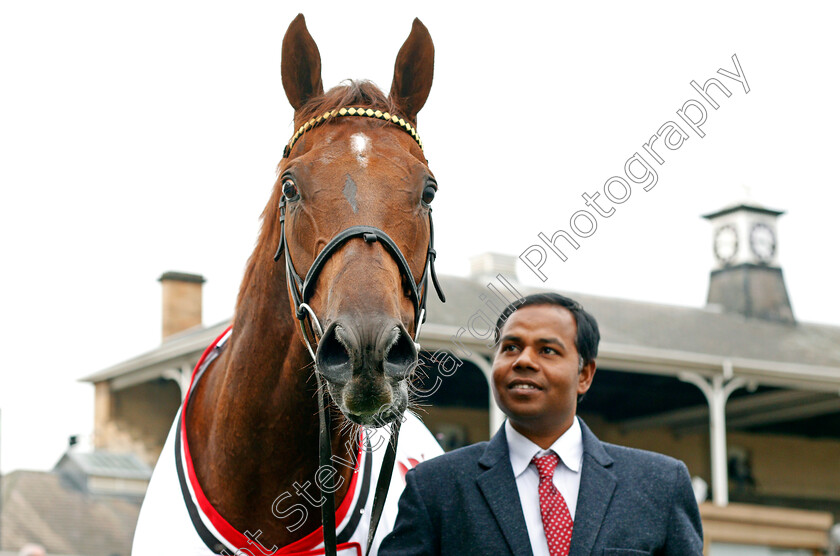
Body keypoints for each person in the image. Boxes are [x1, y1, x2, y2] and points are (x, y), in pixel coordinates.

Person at [379, 292, 703, 555]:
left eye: (547, 350)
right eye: (511, 348)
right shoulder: (436, 488)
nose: (523, 361)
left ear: (585, 375)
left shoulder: (660, 485)